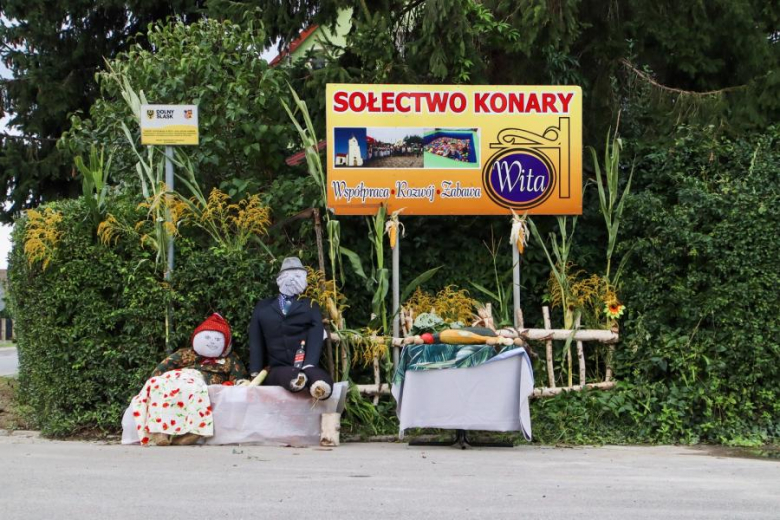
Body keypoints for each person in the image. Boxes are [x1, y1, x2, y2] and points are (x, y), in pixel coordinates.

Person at [131, 313, 247, 446]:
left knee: (193, 388)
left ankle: (192, 432)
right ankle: (159, 430)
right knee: (157, 383)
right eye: (208, 337)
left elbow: (239, 377)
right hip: (176, 376)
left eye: (217, 339)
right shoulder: (186, 353)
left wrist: (234, 383)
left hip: (199, 379)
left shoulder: (229, 359)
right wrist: (155, 377)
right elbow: (164, 366)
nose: (212, 342)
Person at [248, 257, 333, 400]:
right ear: (280, 279)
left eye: (298, 276)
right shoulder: (263, 307)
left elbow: (316, 335)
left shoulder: (311, 305)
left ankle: (320, 386)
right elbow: (255, 340)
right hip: (277, 367)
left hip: (305, 364)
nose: (293, 280)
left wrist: (310, 364)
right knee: (285, 375)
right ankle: (298, 380)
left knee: (316, 375)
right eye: (289, 275)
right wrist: (255, 372)